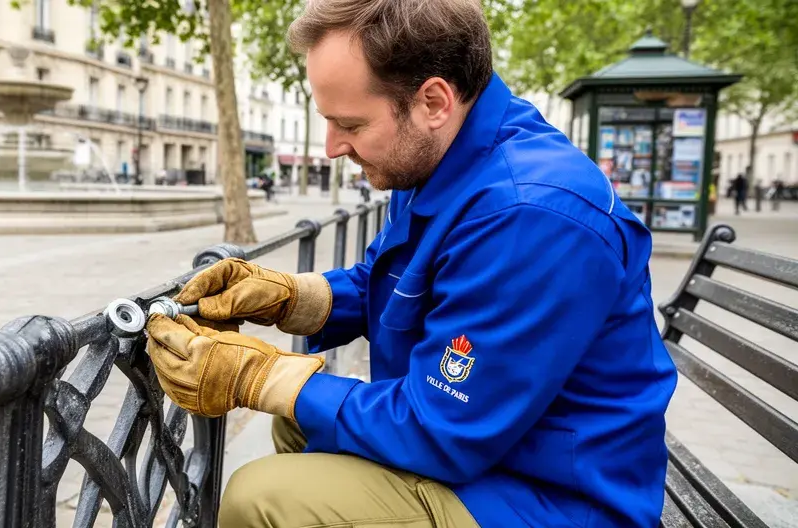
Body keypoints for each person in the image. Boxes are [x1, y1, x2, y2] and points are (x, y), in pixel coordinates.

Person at [144, 1, 677, 526]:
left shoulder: (530, 215)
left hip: (556, 496)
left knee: (260, 497)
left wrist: (260, 376)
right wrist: (287, 297)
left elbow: (445, 428)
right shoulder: (443, 156)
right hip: (508, 449)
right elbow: (388, 283)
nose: (331, 146)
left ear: (433, 101)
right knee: (294, 426)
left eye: (349, 123)